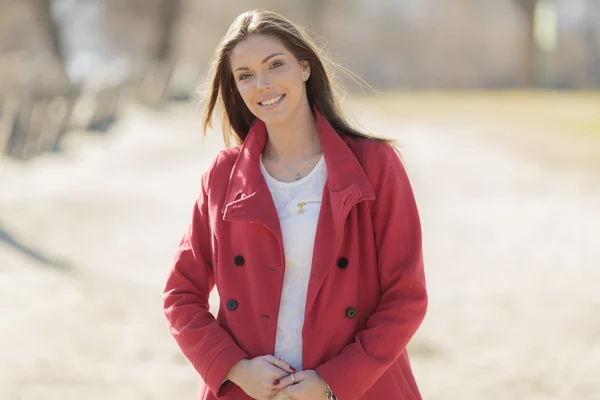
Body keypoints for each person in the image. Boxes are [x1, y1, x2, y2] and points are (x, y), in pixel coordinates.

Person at [163, 9, 427, 400]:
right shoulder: (223, 177)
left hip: (358, 389)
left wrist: (335, 381)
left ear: (304, 67)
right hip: (248, 392)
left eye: (275, 65)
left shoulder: (374, 166)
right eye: (246, 75)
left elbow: (406, 297)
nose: (263, 84)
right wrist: (235, 368)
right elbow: (180, 294)